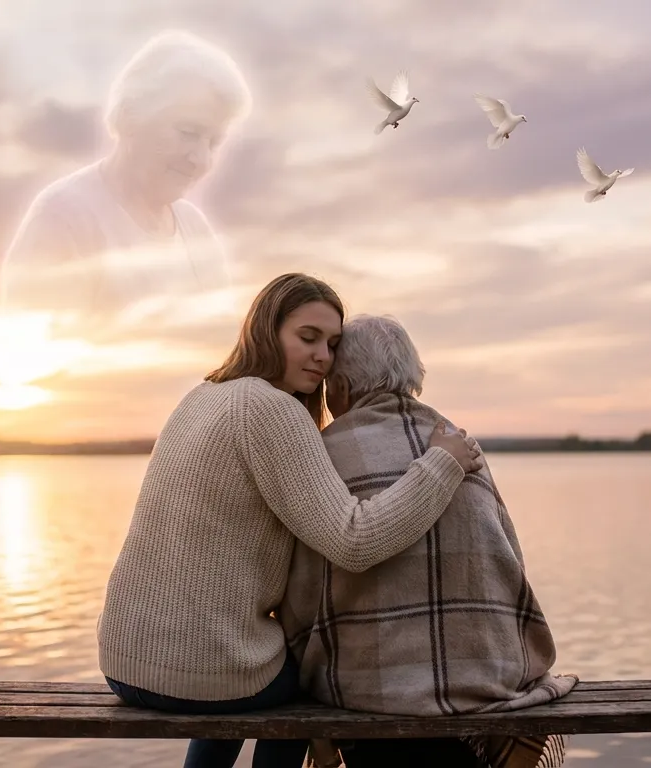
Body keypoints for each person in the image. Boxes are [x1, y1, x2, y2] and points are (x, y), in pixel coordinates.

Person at [96, 274, 485, 768]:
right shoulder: (271, 409)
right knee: (310, 680)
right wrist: (442, 462)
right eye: (307, 338)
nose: (323, 356)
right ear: (266, 332)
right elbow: (354, 541)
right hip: (193, 673)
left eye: (333, 344)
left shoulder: (203, 394)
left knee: (253, 670)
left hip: (124, 661)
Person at [280, 314, 577, 768]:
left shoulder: (321, 453)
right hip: (484, 685)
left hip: (363, 695)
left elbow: (300, 596)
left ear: (338, 385)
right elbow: (510, 564)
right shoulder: (460, 445)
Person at [0, 29, 249, 339]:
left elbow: (226, 353)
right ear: (131, 117)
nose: (201, 159)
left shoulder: (195, 229)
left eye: (213, 143)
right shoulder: (64, 217)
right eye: (187, 133)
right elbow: (33, 358)